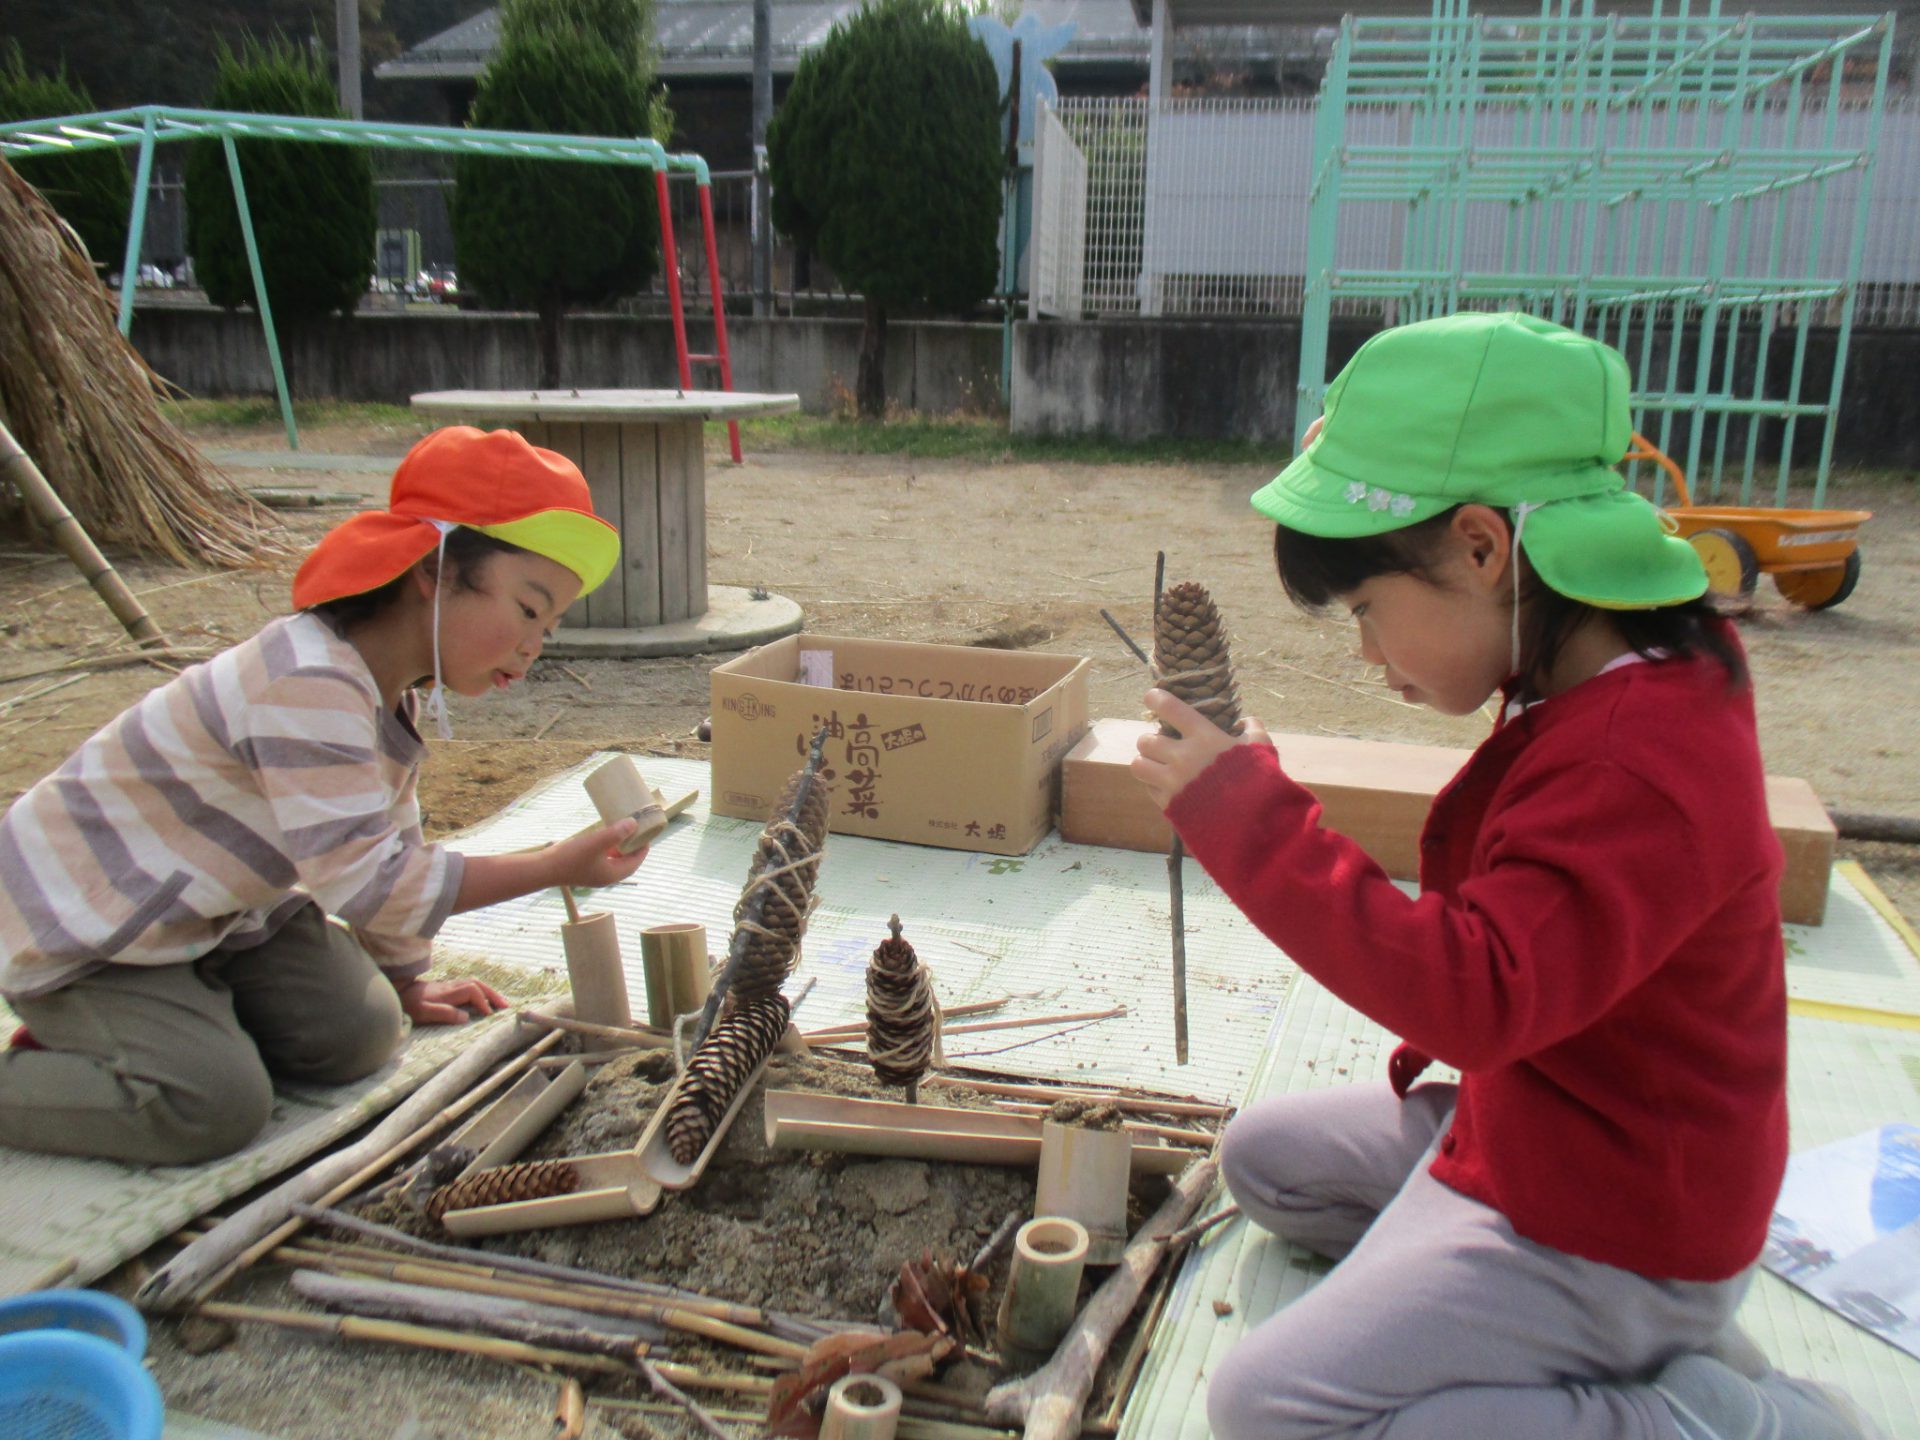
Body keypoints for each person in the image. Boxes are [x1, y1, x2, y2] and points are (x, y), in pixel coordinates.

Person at [1131, 312, 1883, 1440]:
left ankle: (1717, 1417)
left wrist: (1246, 817)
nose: (1367, 652)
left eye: (1368, 610)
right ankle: (1549, 1316)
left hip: (1626, 1220)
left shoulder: (1638, 759)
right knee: (1267, 1165)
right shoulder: (1614, 663)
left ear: (1483, 548)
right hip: (1560, 1114)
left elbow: (1476, 998)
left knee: (1271, 1406)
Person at [0, 426, 648, 1166]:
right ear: (434, 570)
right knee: (212, 1106)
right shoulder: (307, 680)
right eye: (530, 610)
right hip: (98, 924)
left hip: (217, 910)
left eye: (550, 626)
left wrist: (404, 977)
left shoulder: (385, 688)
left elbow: (390, 838)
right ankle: (105, 1050)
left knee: (360, 1033)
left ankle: (188, 1019)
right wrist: (554, 865)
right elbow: (371, 883)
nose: (535, 644)